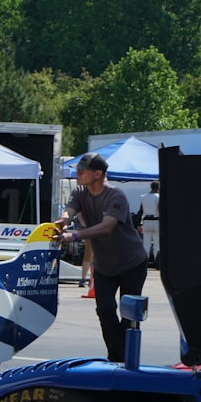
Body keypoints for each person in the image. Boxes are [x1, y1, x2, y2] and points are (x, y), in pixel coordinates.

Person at [56, 152, 148, 362]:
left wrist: (74, 235)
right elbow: (69, 212)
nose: (77, 174)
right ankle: (115, 358)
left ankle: (127, 359)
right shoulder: (80, 192)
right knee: (105, 310)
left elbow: (107, 227)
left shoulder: (115, 196)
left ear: (97, 174)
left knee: (130, 314)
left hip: (131, 263)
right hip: (105, 266)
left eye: (81, 171)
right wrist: (61, 222)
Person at [139, 181, 161, 266]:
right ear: (158, 188)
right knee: (157, 244)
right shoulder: (158, 197)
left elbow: (140, 211)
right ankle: (157, 262)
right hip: (156, 221)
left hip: (146, 221)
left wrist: (138, 223)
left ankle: (144, 261)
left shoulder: (143, 197)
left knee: (146, 243)